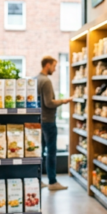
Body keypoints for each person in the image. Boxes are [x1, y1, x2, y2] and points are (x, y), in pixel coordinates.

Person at [37, 56, 71, 190]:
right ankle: (52, 181)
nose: (55, 69)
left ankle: (37, 180)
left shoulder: (36, 79)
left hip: (39, 120)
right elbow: (49, 103)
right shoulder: (46, 81)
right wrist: (64, 101)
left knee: (39, 152)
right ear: (47, 65)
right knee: (51, 152)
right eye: (54, 66)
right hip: (48, 121)